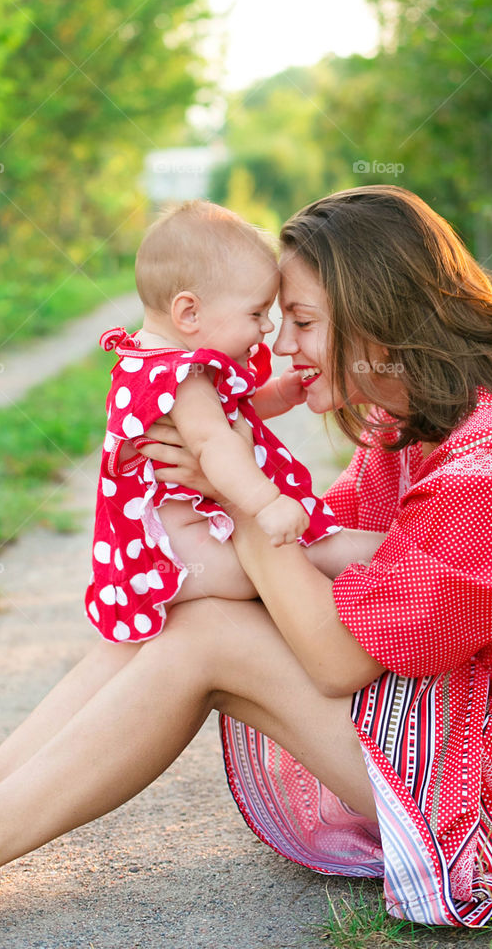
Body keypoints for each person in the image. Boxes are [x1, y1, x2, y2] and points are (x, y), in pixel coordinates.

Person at [0, 185, 492, 929]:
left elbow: (335, 658)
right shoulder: (408, 432)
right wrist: (225, 509)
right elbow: (312, 558)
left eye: (298, 320)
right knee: (178, 615)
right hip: (467, 721)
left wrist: (234, 497)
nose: (277, 344)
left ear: (377, 322)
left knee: (212, 634)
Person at [85, 199, 359, 644]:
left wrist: (279, 395)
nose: (267, 329)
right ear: (188, 313)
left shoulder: (150, 359)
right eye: (256, 314)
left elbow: (231, 415)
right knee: (305, 564)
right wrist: (267, 503)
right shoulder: (184, 377)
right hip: (187, 552)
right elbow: (214, 443)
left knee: (311, 560)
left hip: (185, 541)